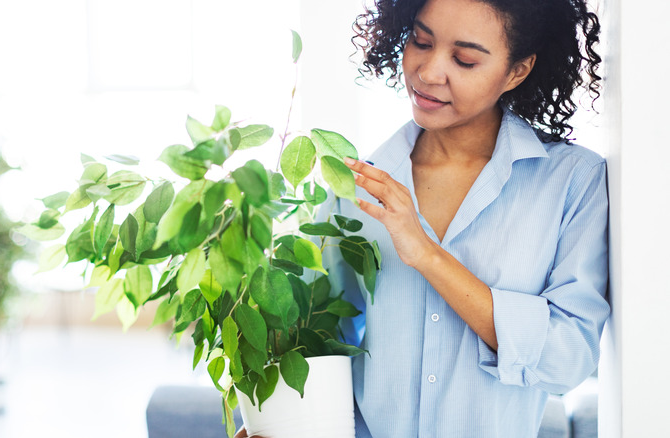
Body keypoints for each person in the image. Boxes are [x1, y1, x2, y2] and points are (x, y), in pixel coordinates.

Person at [237, 0, 608, 436]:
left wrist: (428, 255)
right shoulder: (357, 186)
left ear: (517, 71)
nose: (429, 72)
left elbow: (566, 358)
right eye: (421, 41)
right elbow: (320, 340)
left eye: (464, 59)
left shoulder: (572, 180)